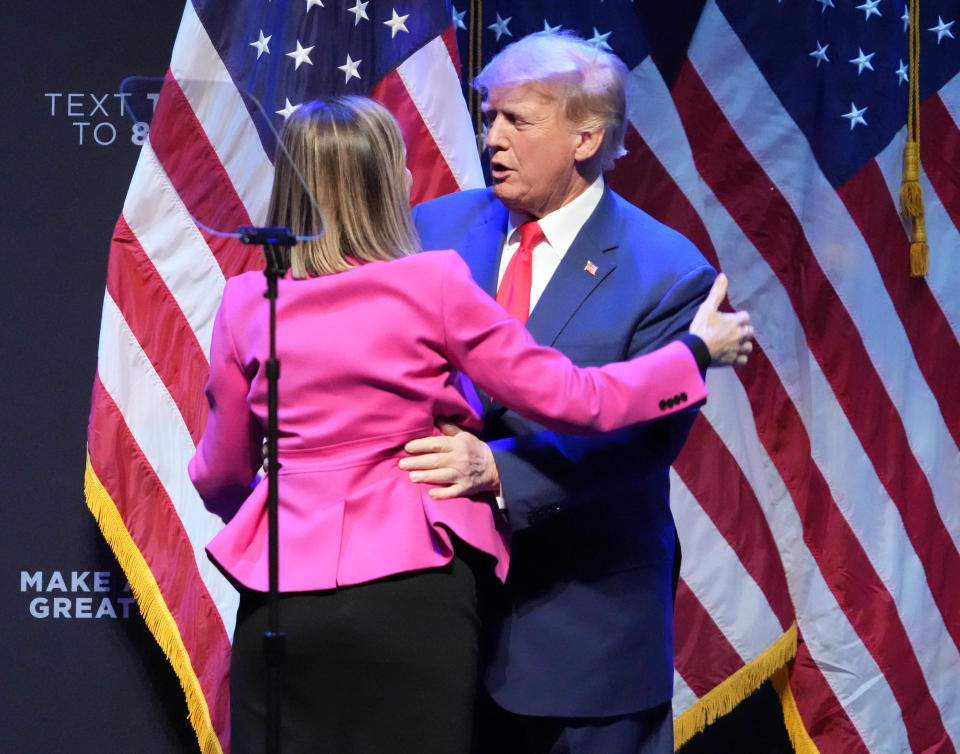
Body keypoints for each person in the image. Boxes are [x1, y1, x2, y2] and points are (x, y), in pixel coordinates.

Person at [187, 96, 751, 753]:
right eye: (398, 165)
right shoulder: (433, 283)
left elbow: (222, 474)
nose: (409, 182)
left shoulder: (248, 303)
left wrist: (290, 502)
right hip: (415, 597)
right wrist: (694, 354)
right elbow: (576, 398)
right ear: (382, 187)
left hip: (282, 602)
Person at [405, 32, 724, 753]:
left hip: (586, 638)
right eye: (489, 118)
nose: (493, 139)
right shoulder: (433, 230)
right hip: (441, 626)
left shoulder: (668, 272)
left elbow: (643, 441)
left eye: (517, 120)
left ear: (587, 135)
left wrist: (497, 472)